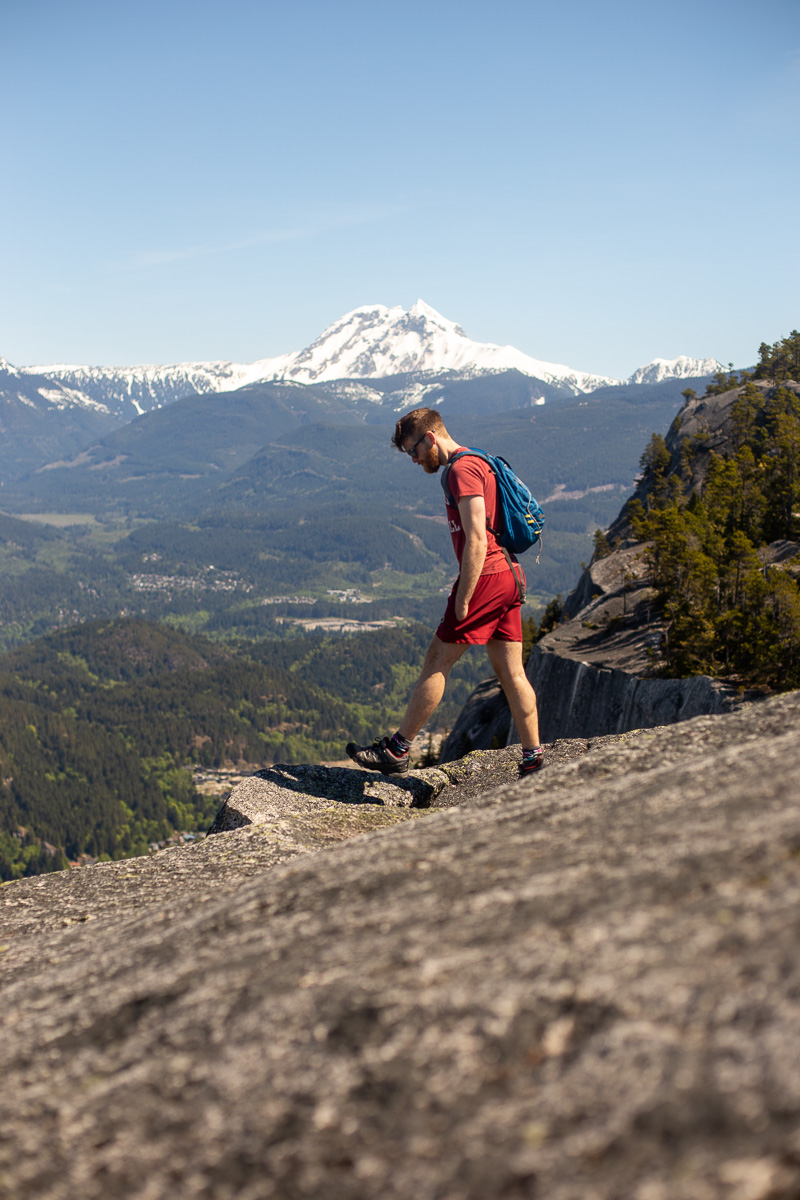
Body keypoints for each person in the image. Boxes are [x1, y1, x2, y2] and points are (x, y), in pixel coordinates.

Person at [346, 407, 544, 777]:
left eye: (414, 450)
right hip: (509, 574)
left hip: (486, 576)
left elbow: (477, 539)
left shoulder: (460, 470)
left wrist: (464, 597)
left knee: (437, 658)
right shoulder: (478, 461)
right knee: (511, 672)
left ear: (431, 437)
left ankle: (397, 750)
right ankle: (533, 759)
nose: (414, 459)